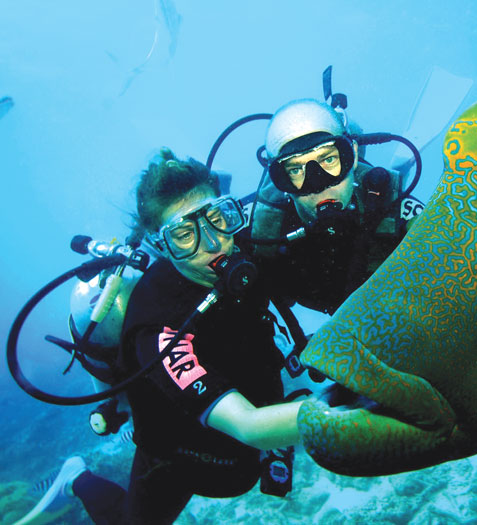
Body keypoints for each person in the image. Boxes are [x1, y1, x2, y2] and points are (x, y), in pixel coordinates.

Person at [20, 149, 304, 525]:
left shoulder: (247, 251)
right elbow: (248, 424)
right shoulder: (156, 324)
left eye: (217, 217)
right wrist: (345, 416)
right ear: (162, 245)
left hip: (248, 429)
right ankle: (77, 479)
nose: (213, 243)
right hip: (174, 451)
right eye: (184, 235)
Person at [249, 98, 423, 316]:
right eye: (295, 170)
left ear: (353, 155)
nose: (318, 184)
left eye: (329, 159)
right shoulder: (264, 227)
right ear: (281, 180)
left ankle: (399, 166)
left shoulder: (394, 209)